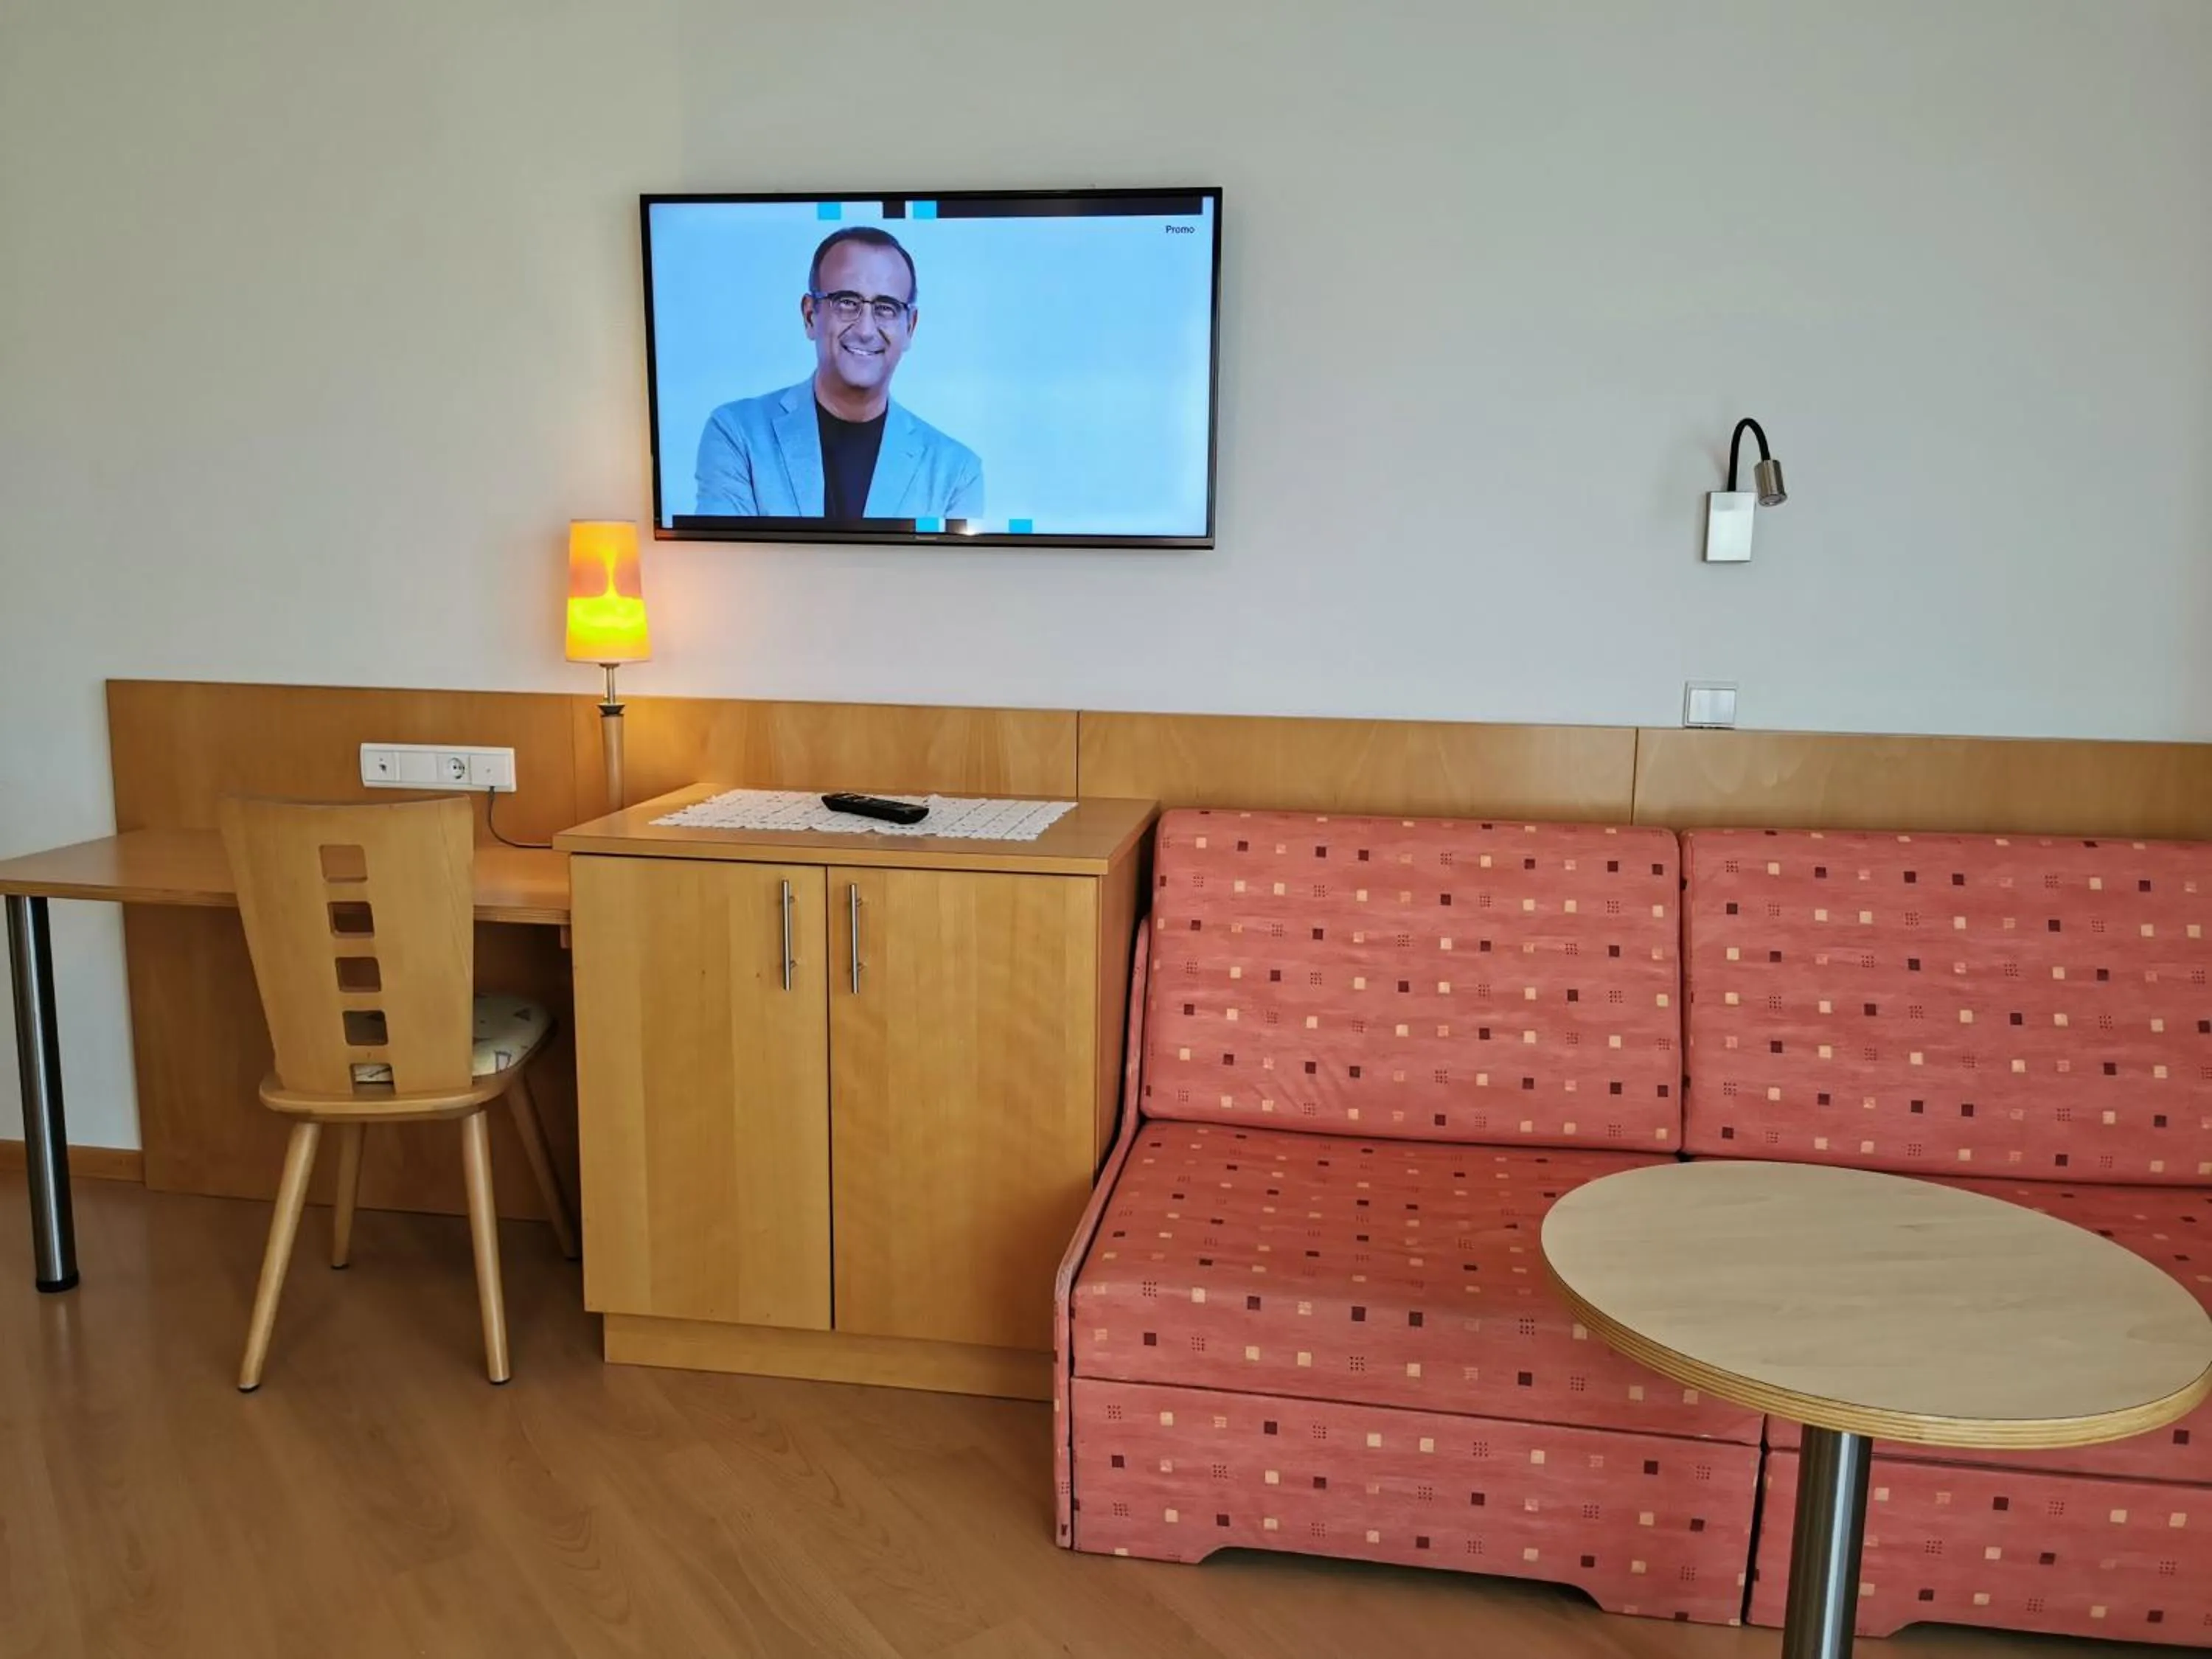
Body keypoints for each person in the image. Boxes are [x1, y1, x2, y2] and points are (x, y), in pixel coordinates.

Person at [694, 226, 984, 521]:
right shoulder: (737, 434)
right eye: (847, 302)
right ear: (810, 315)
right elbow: (726, 552)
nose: (865, 330)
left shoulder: (956, 472)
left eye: (886, 307)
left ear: (909, 327)